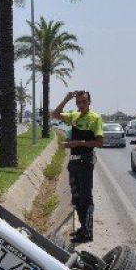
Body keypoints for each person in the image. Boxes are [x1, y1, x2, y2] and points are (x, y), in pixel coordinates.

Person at [52, 90, 103, 244]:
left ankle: (88, 232)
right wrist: (66, 98)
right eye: (78, 102)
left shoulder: (95, 118)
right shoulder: (74, 115)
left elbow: (99, 142)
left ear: (89, 102)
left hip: (85, 163)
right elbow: (55, 114)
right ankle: (82, 228)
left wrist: (79, 143)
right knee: (76, 198)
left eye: (84, 102)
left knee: (86, 198)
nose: (81, 105)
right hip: (73, 162)